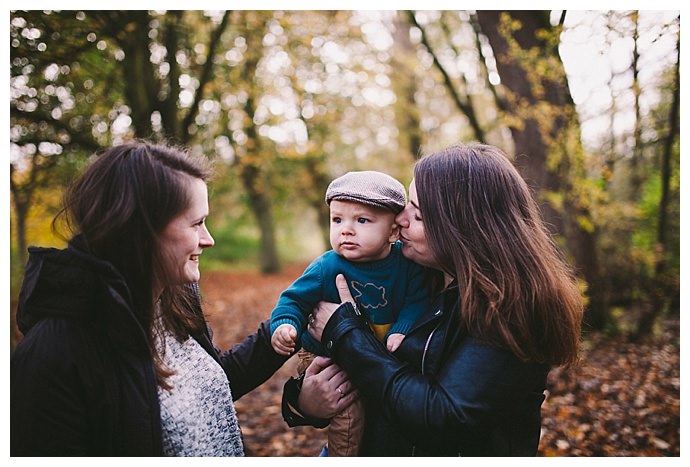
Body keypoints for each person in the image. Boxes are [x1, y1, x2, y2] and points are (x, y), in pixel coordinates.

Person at [10, 140, 352, 456]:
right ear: (141, 230)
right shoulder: (53, 357)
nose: (209, 239)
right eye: (196, 223)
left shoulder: (170, 303)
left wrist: (286, 327)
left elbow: (207, 387)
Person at [284, 142, 584, 456]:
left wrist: (346, 333)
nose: (400, 219)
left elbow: (443, 416)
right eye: (407, 207)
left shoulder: (513, 307)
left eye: (419, 215)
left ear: (464, 228)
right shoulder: (412, 275)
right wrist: (302, 402)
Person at [270, 170, 430, 456]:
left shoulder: (408, 266)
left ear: (393, 231)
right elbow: (293, 300)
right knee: (349, 414)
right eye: (337, 219)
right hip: (326, 356)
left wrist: (402, 327)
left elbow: (417, 301)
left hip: (377, 349)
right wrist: (285, 325)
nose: (346, 229)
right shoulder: (326, 267)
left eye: (362, 220)